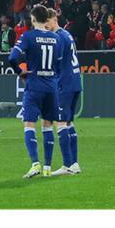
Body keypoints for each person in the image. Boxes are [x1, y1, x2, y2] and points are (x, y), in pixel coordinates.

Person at [8, 5, 66, 178]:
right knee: (48, 125)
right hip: (51, 87)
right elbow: (60, 64)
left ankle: (35, 164)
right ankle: (48, 167)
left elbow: (12, 58)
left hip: (34, 85)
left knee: (29, 124)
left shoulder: (28, 36)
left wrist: (20, 72)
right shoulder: (57, 38)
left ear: (33, 19)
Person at [47, 11, 83, 176]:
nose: (45, 26)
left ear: (54, 20)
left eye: (47, 22)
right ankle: (74, 163)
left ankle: (67, 164)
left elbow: (57, 63)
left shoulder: (58, 38)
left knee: (60, 123)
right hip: (75, 82)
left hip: (65, 84)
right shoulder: (67, 34)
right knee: (69, 123)